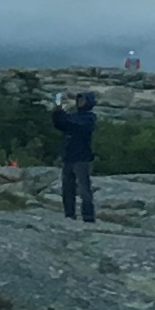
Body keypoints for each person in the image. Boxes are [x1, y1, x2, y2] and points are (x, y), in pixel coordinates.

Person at [50, 88, 99, 223]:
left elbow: (71, 122)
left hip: (82, 158)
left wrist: (60, 109)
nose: (79, 102)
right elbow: (60, 123)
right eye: (79, 100)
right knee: (67, 188)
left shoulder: (89, 118)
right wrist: (57, 108)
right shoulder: (75, 116)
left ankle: (88, 217)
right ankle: (69, 214)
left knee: (84, 189)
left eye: (82, 100)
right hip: (69, 156)